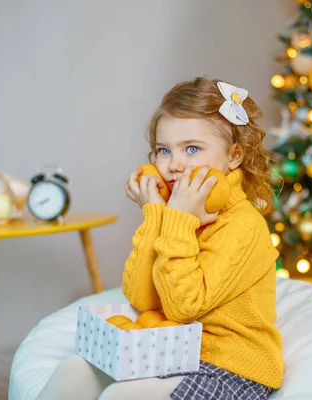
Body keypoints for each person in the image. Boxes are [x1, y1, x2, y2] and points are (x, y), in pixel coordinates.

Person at [37, 77, 282, 400]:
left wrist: (178, 220)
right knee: (74, 370)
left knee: (120, 396)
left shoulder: (242, 225)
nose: (174, 165)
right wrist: (156, 215)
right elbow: (142, 299)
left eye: (192, 149)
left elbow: (182, 308)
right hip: (169, 353)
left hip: (231, 368)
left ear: (233, 156)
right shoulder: (174, 211)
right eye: (163, 151)